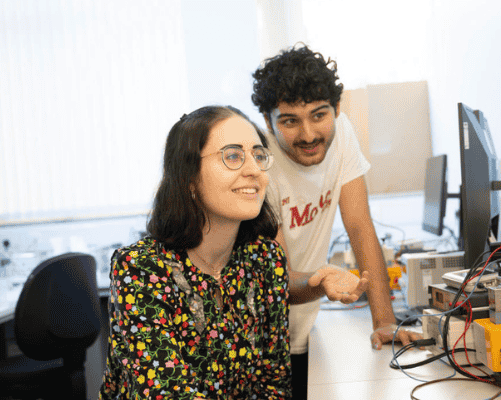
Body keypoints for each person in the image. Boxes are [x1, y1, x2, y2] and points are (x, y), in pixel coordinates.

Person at [100, 105, 362, 399]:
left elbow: (274, 385)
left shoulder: (265, 260)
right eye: (233, 156)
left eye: (258, 155)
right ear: (188, 178)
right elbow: (168, 394)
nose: (254, 170)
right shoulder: (140, 268)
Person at [252, 44, 423, 399]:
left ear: (337, 108)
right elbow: (276, 278)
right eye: (289, 121)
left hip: (305, 323)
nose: (309, 134)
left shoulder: (341, 132)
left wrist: (385, 322)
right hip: (262, 345)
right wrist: (325, 282)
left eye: (319, 115)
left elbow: (360, 225)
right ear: (267, 121)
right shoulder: (259, 162)